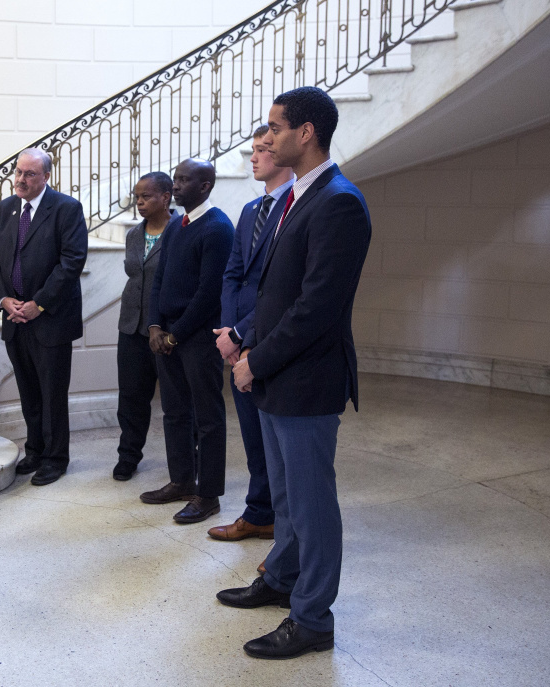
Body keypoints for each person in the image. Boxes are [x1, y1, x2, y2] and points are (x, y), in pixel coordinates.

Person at [219, 87, 371, 660]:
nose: (268, 137)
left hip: (307, 380)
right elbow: (274, 294)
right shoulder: (293, 198)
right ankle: (281, 578)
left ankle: (312, 619)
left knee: (311, 505)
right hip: (281, 375)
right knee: (284, 499)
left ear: (305, 133)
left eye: (275, 127)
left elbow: (315, 307)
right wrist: (247, 342)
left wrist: (255, 358)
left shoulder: (339, 201)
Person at [208, 125, 293, 545]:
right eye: (253, 149)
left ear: (282, 153)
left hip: (270, 341)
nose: (254, 157)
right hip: (237, 344)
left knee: (274, 446)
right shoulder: (249, 211)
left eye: (262, 150)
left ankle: (278, 522)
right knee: (254, 443)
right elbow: (233, 274)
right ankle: (259, 513)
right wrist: (228, 333)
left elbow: (281, 288)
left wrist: (242, 332)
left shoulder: (295, 208)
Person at [0, 148, 88, 487]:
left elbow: (71, 262)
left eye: (29, 174)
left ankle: (56, 459)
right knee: (28, 392)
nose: (20, 179)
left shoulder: (67, 209)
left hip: (50, 319)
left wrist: (38, 303)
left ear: (46, 176)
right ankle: (35, 451)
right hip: (14, 318)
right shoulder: (7, 208)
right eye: (18, 172)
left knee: (52, 393)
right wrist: (3, 299)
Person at [140, 158, 233, 523]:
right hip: (168, 336)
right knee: (175, 412)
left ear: (205, 185)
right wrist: (153, 327)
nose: (175, 186)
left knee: (208, 417)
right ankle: (181, 480)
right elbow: (159, 280)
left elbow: (209, 293)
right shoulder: (177, 225)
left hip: (197, 338)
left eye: (183, 180)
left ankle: (208, 494)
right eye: (175, 179)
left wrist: (174, 334)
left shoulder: (218, 228)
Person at [112, 172, 181, 481]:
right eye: (137, 196)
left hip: (167, 330)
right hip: (131, 326)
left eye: (146, 196)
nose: (139, 202)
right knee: (131, 396)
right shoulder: (134, 235)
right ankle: (128, 455)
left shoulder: (181, 231)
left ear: (166, 197)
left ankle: (184, 460)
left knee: (175, 398)